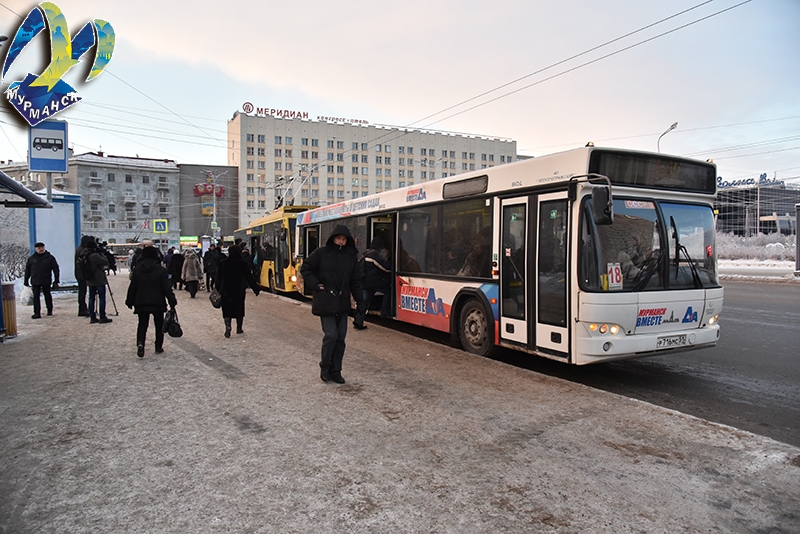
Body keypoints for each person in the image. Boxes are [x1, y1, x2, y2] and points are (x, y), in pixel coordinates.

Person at [299, 225, 363, 384]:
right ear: (333, 238)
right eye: (338, 238)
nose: (341, 242)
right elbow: (306, 268)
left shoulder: (350, 257)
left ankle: (336, 370)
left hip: (342, 302)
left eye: (343, 239)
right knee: (331, 335)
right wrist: (316, 285)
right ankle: (325, 367)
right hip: (326, 300)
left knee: (340, 338)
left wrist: (360, 300)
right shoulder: (321, 253)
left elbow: (355, 280)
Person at [125, 246, 177, 357]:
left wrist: (129, 301)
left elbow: (133, 287)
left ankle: (140, 343)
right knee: (159, 325)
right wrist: (172, 300)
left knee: (142, 324)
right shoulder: (161, 270)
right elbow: (166, 287)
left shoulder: (137, 270)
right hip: (158, 301)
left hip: (141, 301)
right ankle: (158, 346)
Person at [216, 244, 260, 338]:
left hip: (226, 290)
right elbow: (249, 277)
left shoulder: (223, 263)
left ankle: (228, 326)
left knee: (227, 309)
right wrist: (255, 289)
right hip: (238, 290)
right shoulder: (243, 263)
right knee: (239, 309)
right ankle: (239, 328)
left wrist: (218, 288)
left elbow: (218, 277)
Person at [353, 237, 392, 329]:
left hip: (365, 283)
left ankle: (358, 321)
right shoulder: (375, 255)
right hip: (375, 282)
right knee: (389, 290)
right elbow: (386, 268)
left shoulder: (366, 253)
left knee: (363, 303)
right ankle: (384, 311)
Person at [24, 242, 60, 319]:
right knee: (36, 297)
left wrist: (56, 280)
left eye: (42, 247)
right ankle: (37, 313)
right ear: (36, 249)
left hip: (46, 280)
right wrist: (26, 280)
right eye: (39, 248)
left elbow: (56, 269)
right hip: (35, 280)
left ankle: (49, 310)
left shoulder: (50, 258)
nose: (41, 249)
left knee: (47, 295)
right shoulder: (32, 259)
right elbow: (28, 270)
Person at [83, 240, 113, 324]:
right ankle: (102, 316)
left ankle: (92, 316)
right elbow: (105, 261)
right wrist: (101, 253)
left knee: (91, 298)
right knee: (102, 297)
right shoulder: (95, 256)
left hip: (90, 279)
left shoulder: (84, 254)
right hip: (98, 279)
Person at [75, 235, 96, 316]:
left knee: (82, 292)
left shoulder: (79, 249)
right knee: (82, 292)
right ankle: (82, 309)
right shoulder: (82, 250)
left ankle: (82, 308)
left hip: (79, 273)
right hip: (82, 274)